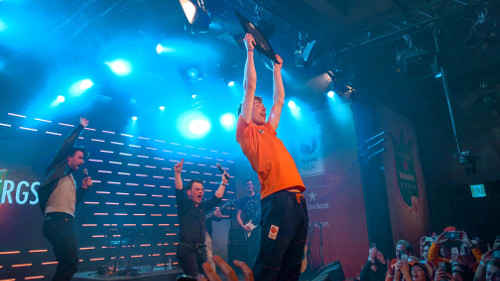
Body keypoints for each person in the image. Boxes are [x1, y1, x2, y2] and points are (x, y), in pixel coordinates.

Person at [236, 33, 308, 281]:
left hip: (297, 200)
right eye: (257, 105)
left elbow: (279, 100)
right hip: (277, 200)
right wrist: (250, 51)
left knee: (292, 263)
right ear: (245, 111)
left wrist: (277, 70)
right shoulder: (246, 132)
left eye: (261, 105)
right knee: (270, 262)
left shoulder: (269, 129)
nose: (263, 107)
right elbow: (250, 87)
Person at [37, 117, 93, 281]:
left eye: (83, 159)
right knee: (70, 264)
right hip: (57, 221)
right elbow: (66, 144)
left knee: (67, 264)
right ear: (68, 157)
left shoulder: (70, 179)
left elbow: (72, 204)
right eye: (80, 158)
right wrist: (80, 127)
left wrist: (82, 190)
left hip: (64, 221)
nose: (82, 162)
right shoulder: (57, 168)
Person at [174, 158, 229, 276]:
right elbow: (179, 190)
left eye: (202, 189)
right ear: (189, 192)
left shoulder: (202, 206)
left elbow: (216, 199)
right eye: (197, 189)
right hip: (187, 251)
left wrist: (223, 183)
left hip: (201, 250)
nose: (201, 192)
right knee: (196, 278)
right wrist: (178, 174)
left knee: (208, 276)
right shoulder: (184, 205)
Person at [236, 178, 261, 268]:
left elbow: (264, 210)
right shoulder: (242, 200)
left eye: (250, 184)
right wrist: (243, 226)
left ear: (253, 185)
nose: (249, 186)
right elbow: (238, 215)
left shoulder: (259, 197)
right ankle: (252, 271)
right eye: (247, 184)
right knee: (251, 250)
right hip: (249, 227)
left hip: (259, 225)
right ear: (244, 187)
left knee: (260, 248)